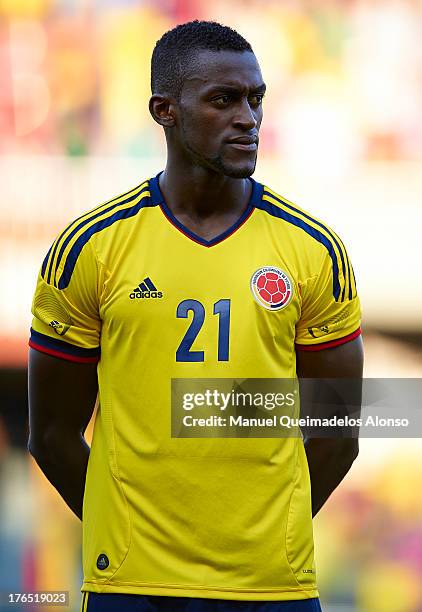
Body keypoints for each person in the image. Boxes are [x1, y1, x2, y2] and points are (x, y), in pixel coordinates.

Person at [28, 20, 363, 612]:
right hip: (132, 587)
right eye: (223, 99)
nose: (248, 117)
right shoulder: (90, 249)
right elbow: (52, 434)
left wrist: (261, 535)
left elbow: (338, 433)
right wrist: (128, 532)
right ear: (165, 110)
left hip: (271, 587)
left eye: (256, 99)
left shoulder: (315, 251)